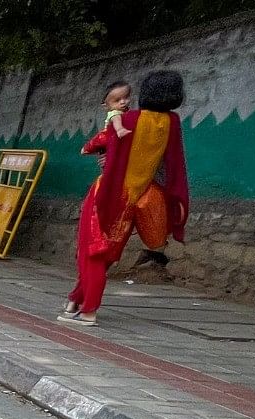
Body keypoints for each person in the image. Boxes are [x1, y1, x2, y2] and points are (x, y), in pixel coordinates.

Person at [60, 70, 189, 327]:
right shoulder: (171, 123)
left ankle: (88, 311)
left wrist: (94, 149)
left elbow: (96, 144)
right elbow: (171, 165)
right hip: (139, 197)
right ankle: (75, 299)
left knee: (93, 251)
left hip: (109, 195)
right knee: (108, 253)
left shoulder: (128, 119)